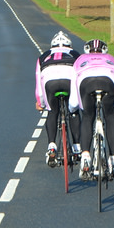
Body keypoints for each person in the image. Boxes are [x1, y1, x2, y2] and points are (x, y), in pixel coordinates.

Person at [71, 38, 114, 180]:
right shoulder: (111, 59)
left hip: (86, 82)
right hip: (108, 81)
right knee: (110, 116)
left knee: (87, 117)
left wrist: (73, 107)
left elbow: (74, 85)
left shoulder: (80, 60)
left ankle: (85, 155)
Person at [35, 30, 81, 167]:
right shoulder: (75, 54)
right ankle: (77, 147)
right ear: (69, 45)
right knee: (73, 111)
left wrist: (40, 102)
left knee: (52, 111)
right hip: (69, 81)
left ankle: (51, 146)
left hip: (50, 82)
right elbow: (80, 77)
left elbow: (39, 82)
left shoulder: (43, 56)